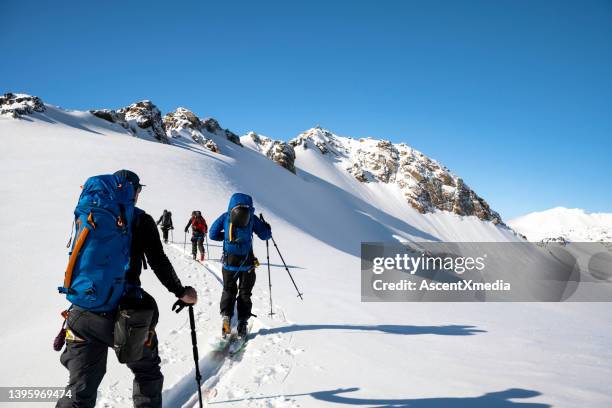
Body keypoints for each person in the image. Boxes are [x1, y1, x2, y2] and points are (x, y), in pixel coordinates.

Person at [57, 170, 198, 408]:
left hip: (81, 311)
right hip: (124, 316)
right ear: (134, 192)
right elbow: (159, 262)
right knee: (147, 374)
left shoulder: (88, 213)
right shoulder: (142, 220)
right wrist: (182, 292)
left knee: (79, 391)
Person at [209, 193, 271, 338]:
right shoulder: (252, 218)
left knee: (228, 290)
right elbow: (265, 235)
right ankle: (242, 323)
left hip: (229, 263)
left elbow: (212, 234)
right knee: (245, 292)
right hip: (247, 264)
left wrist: (225, 238)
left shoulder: (226, 216)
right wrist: (267, 227)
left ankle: (226, 318)